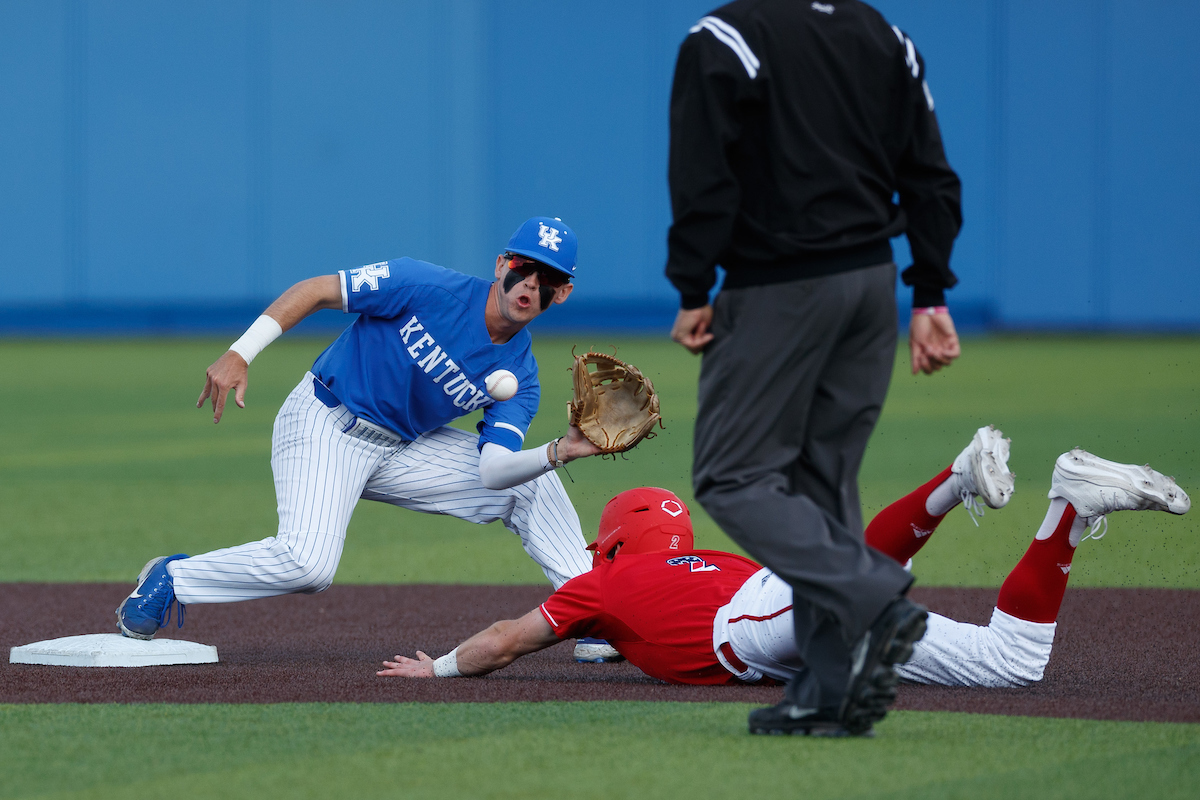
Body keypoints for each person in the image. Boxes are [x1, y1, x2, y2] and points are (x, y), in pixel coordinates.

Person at [377, 428, 1191, 737]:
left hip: (762, 626)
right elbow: (633, 637)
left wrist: (439, 668)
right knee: (1014, 662)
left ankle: (953, 480)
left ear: (613, 543)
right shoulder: (702, 564)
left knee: (848, 584)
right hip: (773, 594)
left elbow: (508, 642)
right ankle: (1068, 508)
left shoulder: (600, 589)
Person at [115, 216, 620, 662]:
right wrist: (240, 352)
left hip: (402, 448)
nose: (529, 283)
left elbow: (493, 472)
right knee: (307, 565)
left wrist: (561, 451)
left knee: (533, 481)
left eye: (548, 278)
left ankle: (590, 611)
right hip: (325, 422)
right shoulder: (424, 285)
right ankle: (173, 578)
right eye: (522, 266)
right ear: (499, 264)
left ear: (563, 293)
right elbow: (315, 291)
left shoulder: (521, 375)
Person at [663, 1, 965, 732]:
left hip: (778, 287)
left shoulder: (726, 35)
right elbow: (929, 170)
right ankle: (828, 689)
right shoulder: (882, 35)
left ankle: (879, 600)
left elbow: (703, 176)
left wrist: (693, 287)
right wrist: (928, 291)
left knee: (731, 475)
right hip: (870, 285)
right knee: (821, 482)